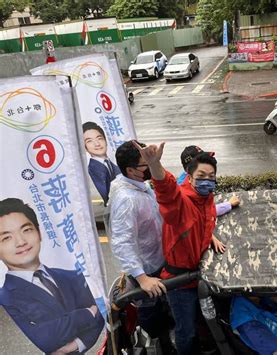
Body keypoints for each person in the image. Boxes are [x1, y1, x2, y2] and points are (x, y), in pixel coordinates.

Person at [133, 141, 225, 354]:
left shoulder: (206, 199)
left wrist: (210, 237)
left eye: (211, 177)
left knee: (209, 322)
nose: (207, 181)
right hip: (180, 283)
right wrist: (155, 165)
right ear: (189, 177)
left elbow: (201, 223)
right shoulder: (181, 202)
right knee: (187, 330)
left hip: (200, 276)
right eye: (201, 176)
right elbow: (167, 191)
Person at [0, 198, 104, 354]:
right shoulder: (7, 295)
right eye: (6, 237)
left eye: (26, 230)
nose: (20, 241)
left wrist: (75, 344)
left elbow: (100, 316)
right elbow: (48, 340)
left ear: (39, 232)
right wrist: (88, 313)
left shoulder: (70, 275)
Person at [108, 141, 175, 353]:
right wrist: (142, 277)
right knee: (153, 321)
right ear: (130, 170)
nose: (151, 166)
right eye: (146, 163)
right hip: (148, 271)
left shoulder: (138, 186)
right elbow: (122, 241)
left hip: (160, 259)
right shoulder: (127, 199)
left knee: (164, 315)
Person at [177, 145, 240, 216]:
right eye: (202, 160)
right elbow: (201, 213)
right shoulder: (183, 191)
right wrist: (228, 204)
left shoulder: (191, 179)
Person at [82, 122, 121, 205]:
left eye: (99, 138)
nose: (97, 144)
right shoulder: (90, 172)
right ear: (85, 147)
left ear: (105, 140)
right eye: (89, 141)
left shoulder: (117, 165)